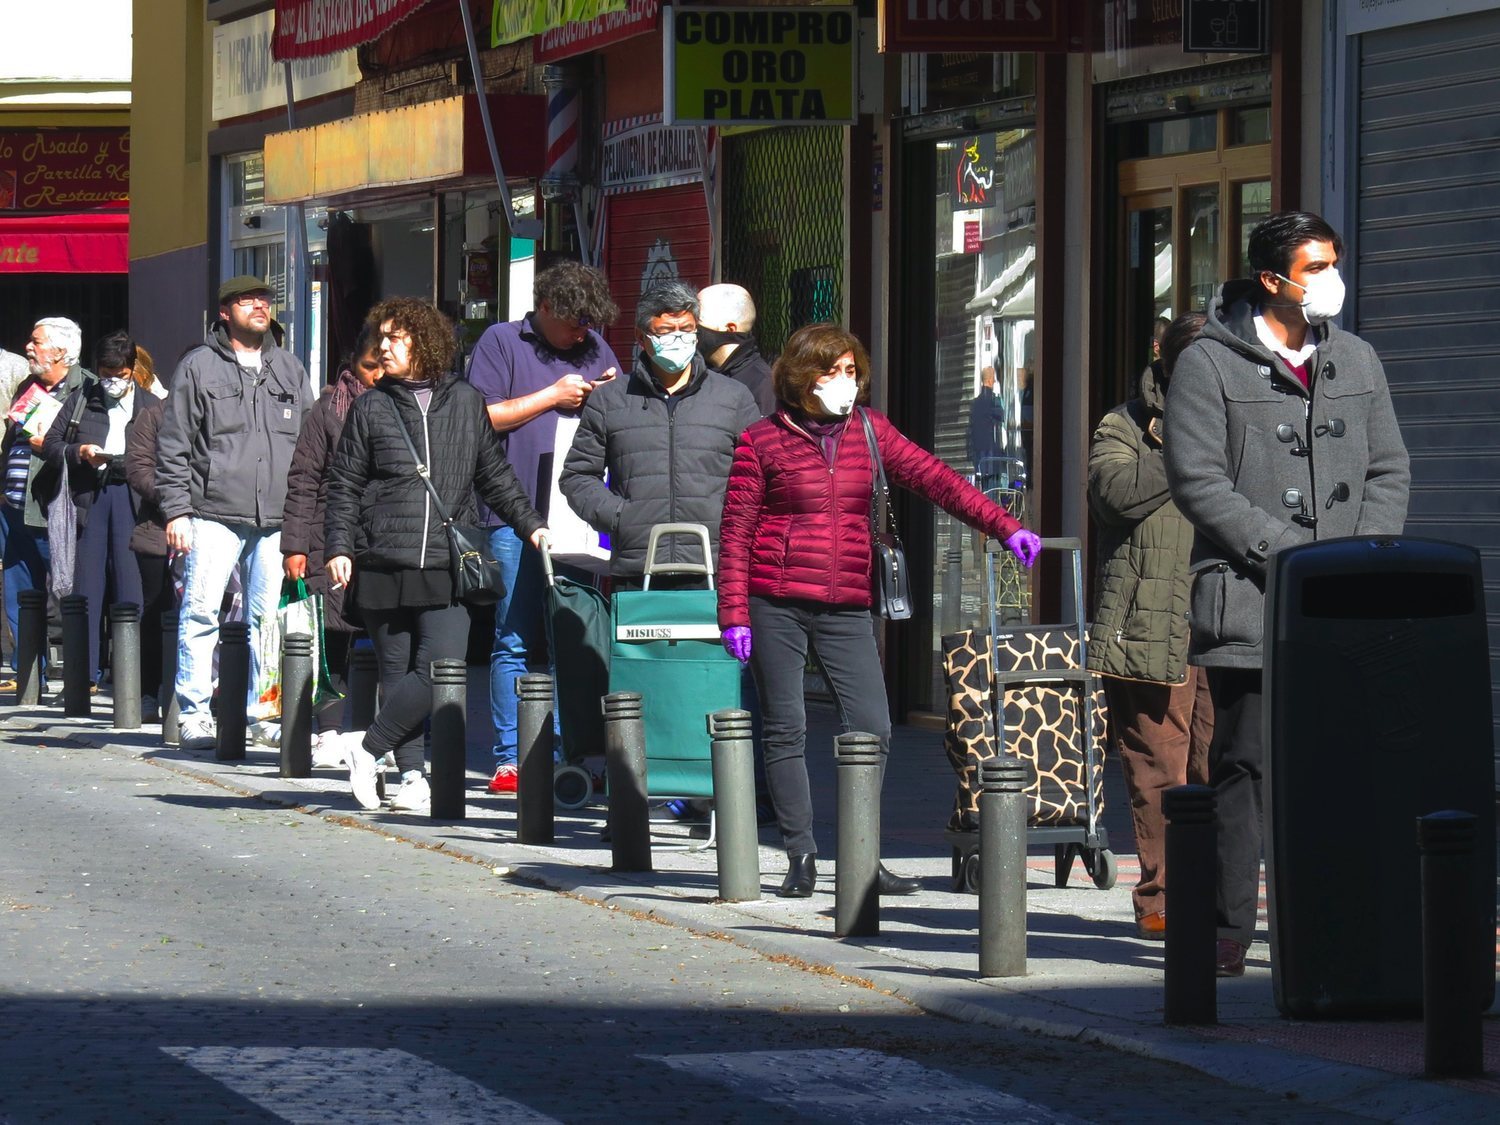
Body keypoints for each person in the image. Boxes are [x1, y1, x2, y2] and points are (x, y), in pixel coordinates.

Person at [1163, 211, 1410, 978]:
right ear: (1272, 280)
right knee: (1247, 764)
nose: (1331, 277)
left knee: (1344, 763)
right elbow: (1198, 480)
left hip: (1345, 600)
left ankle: (1334, 918)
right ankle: (1230, 927)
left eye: (1335, 260)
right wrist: (1291, 553)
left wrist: (1360, 554)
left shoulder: (1357, 358)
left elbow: (1389, 468)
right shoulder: (1210, 362)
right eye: (1316, 265)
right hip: (1250, 595)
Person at [717, 323, 1043, 898]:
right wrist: (734, 612)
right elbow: (737, 532)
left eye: (851, 370)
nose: (844, 382)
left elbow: (939, 480)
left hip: (846, 602)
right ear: (801, 377)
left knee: (871, 724)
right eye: (831, 371)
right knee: (786, 728)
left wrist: (1005, 524)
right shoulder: (760, 441)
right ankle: (800, 854)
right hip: (776, 600)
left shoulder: (870, 431)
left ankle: (863, 854)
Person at [324, 297, 548, 815]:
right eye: (380, 339)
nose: (383, 347)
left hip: (448, 560)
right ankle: (413, 778)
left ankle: (365, 747)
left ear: (424, 341)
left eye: (394, 338)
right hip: (382, 557)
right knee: (397, 671)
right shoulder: (371, 406)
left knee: (442, 666)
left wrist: (532, 525)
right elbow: (345, 485)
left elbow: (494, 476)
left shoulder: (466, 403)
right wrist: (339, 546)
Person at [466, 261, 620, 794]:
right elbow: (479, 418)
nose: (583, 333)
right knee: (514, 637)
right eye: (576, 322)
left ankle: (571, 750)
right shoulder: (501, 341)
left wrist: (605, 398)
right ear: (547, 308)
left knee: (573, 636)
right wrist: (552, 396)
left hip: (578, 517)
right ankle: (513, 757)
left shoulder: (597, 347)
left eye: (590, 324)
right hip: (512, 514)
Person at [1086, 312, 1213, 941]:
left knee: (1222, 765)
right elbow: (1115, 494)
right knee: (1159, 768)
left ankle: (1220, 899)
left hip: (1223, 620)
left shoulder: (1238, 416)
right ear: (1164, 361)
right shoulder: (1127, 423)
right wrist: (1190, 441)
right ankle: (1162, 901)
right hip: (1148, 621)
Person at [155, 276, 311, 751]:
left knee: (268, 620)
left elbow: (309, 448)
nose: (260, 307)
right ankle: (195, 714)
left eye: (264, 300)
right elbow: (173, 445)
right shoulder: (199, 367)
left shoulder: (288, 368)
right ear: (225, 312)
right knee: (201, 612)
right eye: (248, 301)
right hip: (212, 513)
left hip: (275, 520)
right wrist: (177, 511)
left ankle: (263, 714)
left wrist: (304, 521)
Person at [561, 279, 761, 583]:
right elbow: (577, 476)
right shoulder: (610, 400)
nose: (678, 339)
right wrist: (620, 517)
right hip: (637, 567)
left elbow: (758, 477)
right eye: (666, 331)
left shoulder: (733, 398)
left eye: (687, 329)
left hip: (718, 568)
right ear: (641, 338)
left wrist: (728, 521)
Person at [281, 322, 381, 747]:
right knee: (331, 637)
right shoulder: (328, 411)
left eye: (382, 365)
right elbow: (303, 479)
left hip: (379, 536)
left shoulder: (401, 406)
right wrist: (296, 546)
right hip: (328, 535)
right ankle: (330, 729)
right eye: (368, 366)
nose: (376, 374)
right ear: (353, 364)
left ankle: (380, 731)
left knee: (384, 639)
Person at [41, 331, 151, 692]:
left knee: (130, 587)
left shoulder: (150, 406)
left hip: (133, 498)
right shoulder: (81, 400)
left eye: (118, 374)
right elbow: (52, 445)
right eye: (105, 372)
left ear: (132, 370)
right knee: (86, 588)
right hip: (90, 496)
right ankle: (84, 674)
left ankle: (129, 675)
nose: (111, 381)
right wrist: (80, 452)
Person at [1, 318, 91, 685]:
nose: (28, 347)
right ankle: (28, 674)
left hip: (55, 504)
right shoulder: (29, 386)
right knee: (20, 593)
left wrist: (51, 448)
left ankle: (82, 674)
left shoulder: (85, 389)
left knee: (71, 589)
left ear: (60, 351)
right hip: (13, 505)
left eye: (35, 342)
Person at [123, 371, 172, 721]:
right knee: (156, 611)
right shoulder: (153, 415)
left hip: (215, 528)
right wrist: (177, 500)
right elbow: (139, 469)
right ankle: (149, 691)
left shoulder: (220, 414)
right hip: (157, 530)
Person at [696, 282, 776, 416]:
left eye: (698, 320)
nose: (690, 329)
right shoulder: (697, 375)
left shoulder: (763, 385)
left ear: (730, 329)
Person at [966, 365, 1005, 490]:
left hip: (978, 450)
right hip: (991, 450)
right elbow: (1002, 417)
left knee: (981, 485)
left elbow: (970, 428)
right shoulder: (994, 400)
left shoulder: (975, 403)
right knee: (993, 486)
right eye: (993, 378)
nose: (994, 381)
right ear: (989, 380)